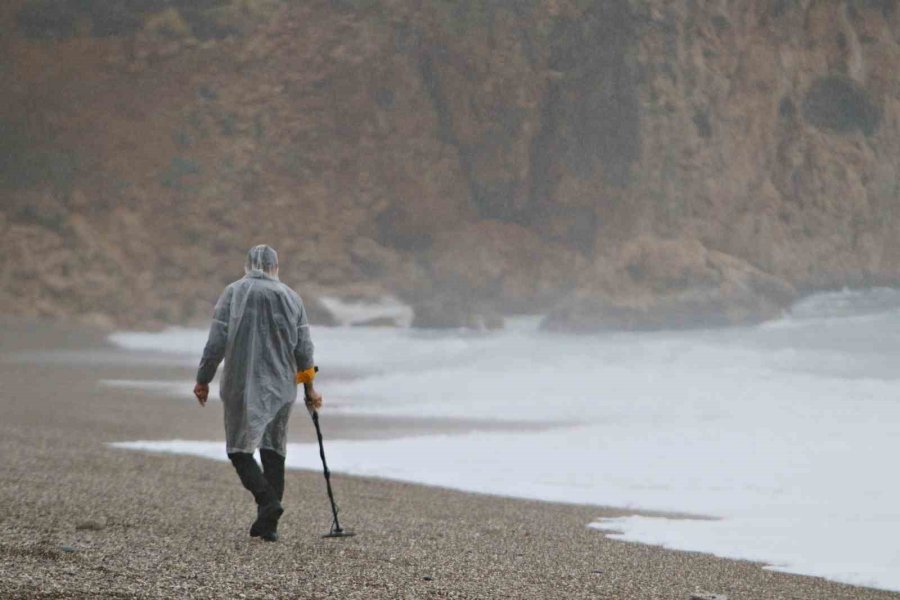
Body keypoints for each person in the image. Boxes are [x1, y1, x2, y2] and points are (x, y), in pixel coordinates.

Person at [193, 244, 322, 542]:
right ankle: (269, 525)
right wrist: (309, 389)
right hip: (282, 386)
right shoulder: (291, 297)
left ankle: (267, 502)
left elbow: (216, 342)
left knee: (239, 449)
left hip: (243, 384)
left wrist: (203, 378)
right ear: (276, 266)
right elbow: (304, 350)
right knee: (274, 449)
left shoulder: (233, 293)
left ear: (248, 264)